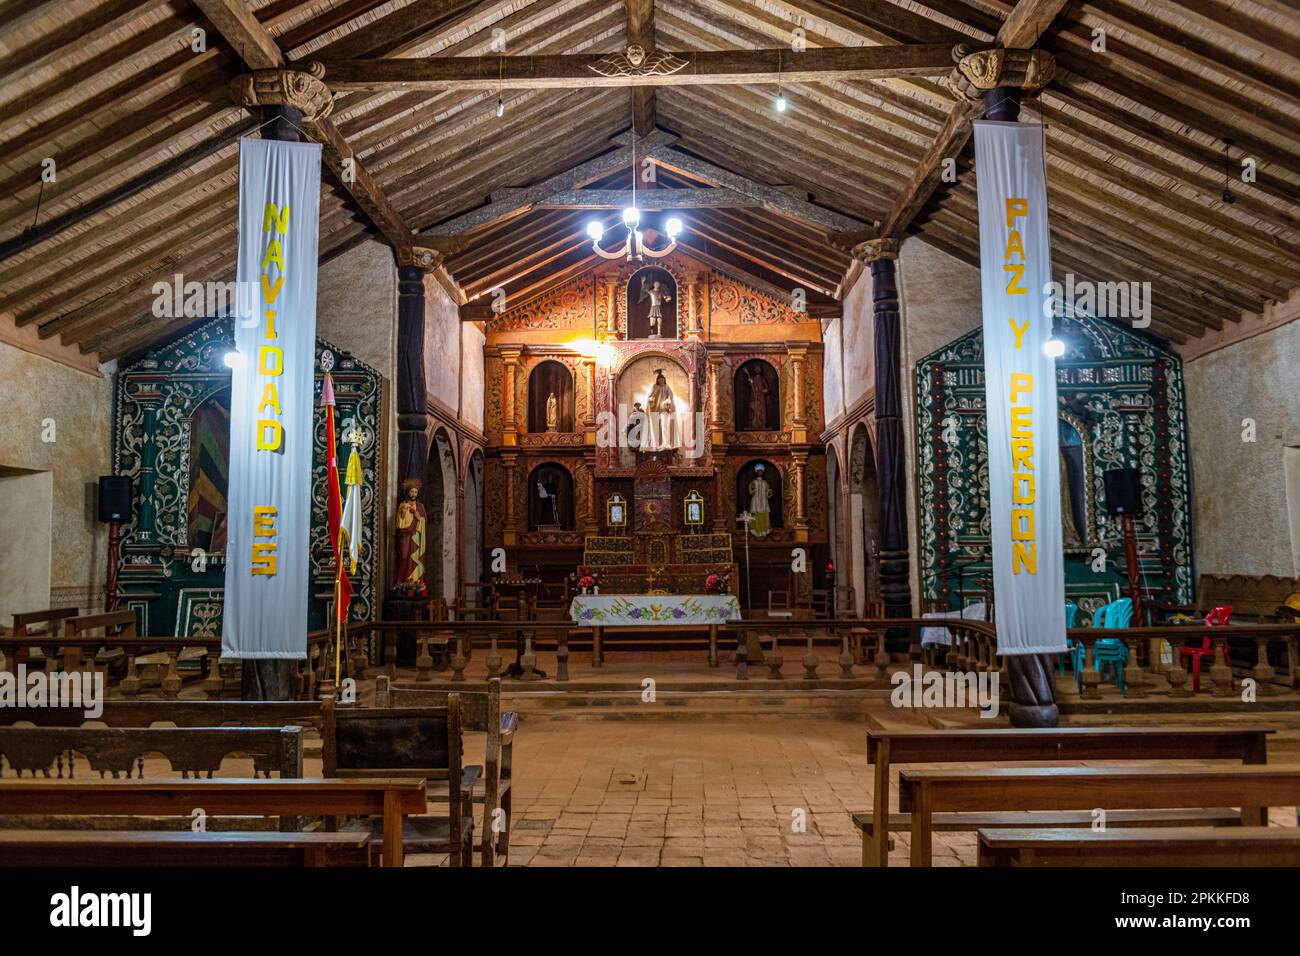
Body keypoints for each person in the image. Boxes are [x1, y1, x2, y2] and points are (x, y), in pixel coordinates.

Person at [394, 479, 426, 585]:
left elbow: (422, 520)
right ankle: (400, 582)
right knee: (403, 557)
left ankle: (413, 581)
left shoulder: (420, 506)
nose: (413, 494)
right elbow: (399, 521)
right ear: (408, 492)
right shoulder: (402, 505)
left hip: (415, 537)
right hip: (404, 536)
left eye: (415, 492)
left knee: (413, 559)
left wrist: (415, 512)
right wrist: (404, 511)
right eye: (412, 491)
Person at [748, 463, 773, 537]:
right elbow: (750, 491)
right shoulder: (753, 482)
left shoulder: (765, 483)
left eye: (761, 471)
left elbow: (768, 492)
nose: (760, 472)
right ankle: (757, 530)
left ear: (763, 472)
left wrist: (769, 492)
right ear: (756, 472)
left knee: (765, 515)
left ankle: (764, 530)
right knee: (756, 515)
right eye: (758, 471)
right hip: (756, 501)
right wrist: (754, 490)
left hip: (764, 501)